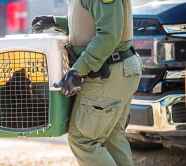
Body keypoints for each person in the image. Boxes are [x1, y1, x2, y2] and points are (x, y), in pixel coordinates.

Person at [32, 0, 142, 165]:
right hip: (118, 69)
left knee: (83, 140)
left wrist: (78, 70)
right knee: (112, 137)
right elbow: (90, 24)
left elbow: (109, 34)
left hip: (110, 70)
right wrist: (56, 22)